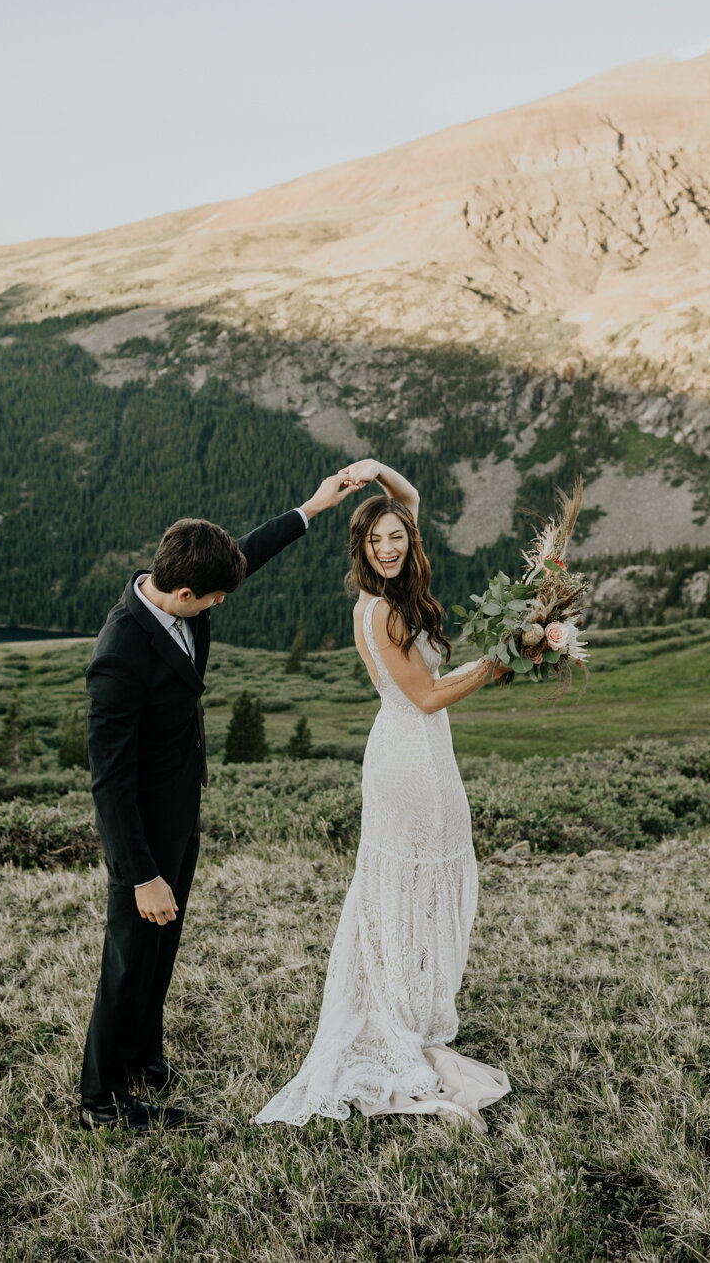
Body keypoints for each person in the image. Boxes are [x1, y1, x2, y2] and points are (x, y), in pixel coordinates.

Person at [78, 473, 357, 1134]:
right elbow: (108, 780)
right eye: (209, 602)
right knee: (127, 954)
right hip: (140, 830)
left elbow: (244, 554)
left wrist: (313, 508)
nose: (215, 608)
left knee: (161, 945)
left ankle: (144, 1057)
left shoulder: (183, 586)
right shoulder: (118, 656)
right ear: (181, 594)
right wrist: (140, 872)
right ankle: (102, 1100)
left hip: (179, 808)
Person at [256, 459, 512, 1129]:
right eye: (377, 542)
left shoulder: (395, 592)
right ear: (362, 552)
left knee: (415, 890)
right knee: (407, 889)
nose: (390, 547)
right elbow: (425, 696)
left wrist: (375, 474)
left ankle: (409, 1007)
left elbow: (411, 496)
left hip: (420, 753)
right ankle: (396, 1019)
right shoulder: (379, 613)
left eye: (397, 537)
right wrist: (494, 661)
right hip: (408, 760)